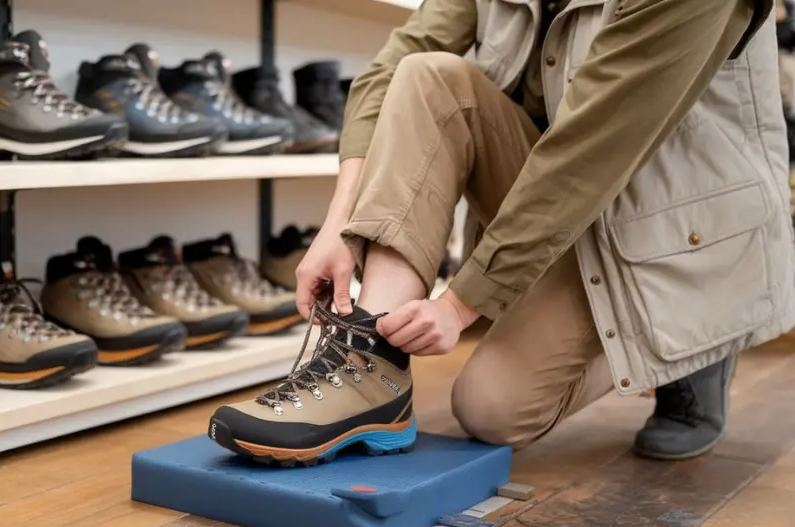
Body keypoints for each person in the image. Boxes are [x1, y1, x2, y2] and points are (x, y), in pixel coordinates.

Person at [207, 0, 795, 466]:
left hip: (667, 231)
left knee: (492, 411)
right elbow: (394, 65)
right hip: (557, 207)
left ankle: (690, 345)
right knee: (428, 75)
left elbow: (587, 153)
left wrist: (460, 305)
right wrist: (339, 224)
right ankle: (368, 366)